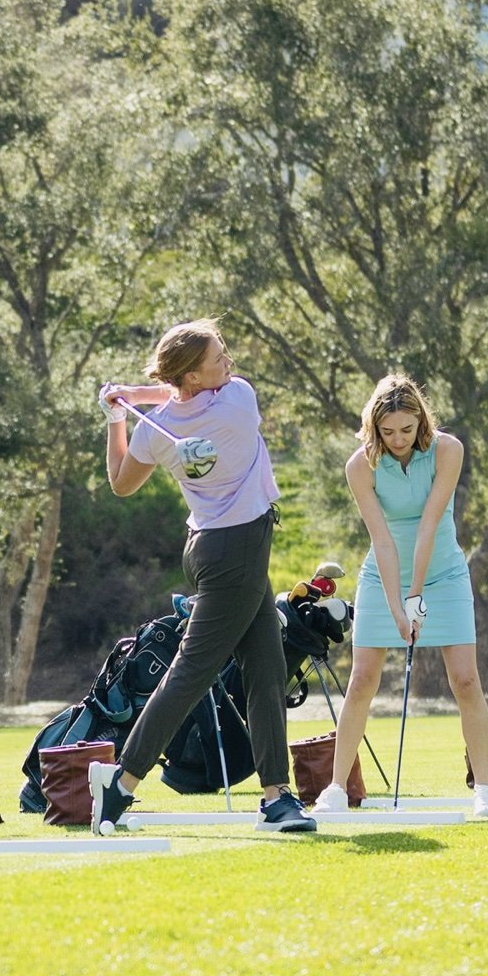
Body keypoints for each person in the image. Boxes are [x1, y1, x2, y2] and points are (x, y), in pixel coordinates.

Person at [94, 320, 316, 834]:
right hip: (237, 553)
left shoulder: (154, 429)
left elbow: (121, 482)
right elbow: (190, 390)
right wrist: (139, 395)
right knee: (192, 673)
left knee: (266, 670)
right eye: (219, 357)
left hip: (212, 547)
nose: (229, 363)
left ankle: (276, 799)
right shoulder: (238, 401)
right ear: (195, 375)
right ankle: (120, 783)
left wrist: (119, 415)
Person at [320, 374, 488, 818]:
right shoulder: (360, 465)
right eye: (388, 432)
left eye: (406, 429)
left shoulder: (447, 450)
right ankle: (336, 789)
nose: (398, 440)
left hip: (443, 574)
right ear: (374, 428)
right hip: (383, 576)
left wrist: (415, 597)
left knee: (465, 680)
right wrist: (398, 603)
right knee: (362, 679)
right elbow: (381, 539)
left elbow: (428, 525)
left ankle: (484, 789)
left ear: (420, 420)